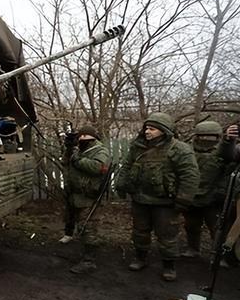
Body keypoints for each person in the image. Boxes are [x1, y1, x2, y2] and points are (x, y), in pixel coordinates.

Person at [116, 112, 199, 281]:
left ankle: (169, 266)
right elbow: (126, 166)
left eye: (152, 129)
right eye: (146, 128)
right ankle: (140, 258)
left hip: (165, 203)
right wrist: (121, 184)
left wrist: (183, 199)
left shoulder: (179, 149)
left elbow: (190, 175)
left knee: (167, 234)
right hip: (140, 199)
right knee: (140, 231)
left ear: (164, 130)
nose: (147, 131)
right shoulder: (138, 147)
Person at [61, 125, 111, 274]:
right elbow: (66, 162)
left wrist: (77, 160)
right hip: (75, 194)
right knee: (79, 224)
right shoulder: (78, 151)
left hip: (90, 195)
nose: (82, 139)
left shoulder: (100, 150)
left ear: (93, 137)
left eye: (85, 136)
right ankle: (83, 249)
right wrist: (69, 148)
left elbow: (99, 167)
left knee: (89, 227)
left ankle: (89, 261)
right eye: (79, 136)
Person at [181, 121, 231, 258]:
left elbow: (228, 174)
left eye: (211, 137)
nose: (206, 140)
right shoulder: (187, 152)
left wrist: (220, 193)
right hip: (192, 197)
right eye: (203, 137)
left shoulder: (224, 153)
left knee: (216, 228)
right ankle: (193, 249)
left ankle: (218, 254)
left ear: (218, 137)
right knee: (191, 226)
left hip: (213, 199)